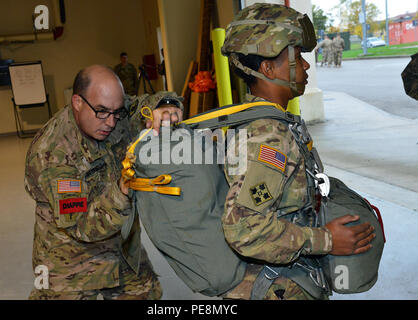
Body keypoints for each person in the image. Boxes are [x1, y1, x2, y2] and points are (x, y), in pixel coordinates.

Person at [220, 3, 375, 300]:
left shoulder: (272, 121)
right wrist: (326, 240)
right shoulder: (267, 137)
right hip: (277, 288)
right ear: (267, 68)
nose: (305, 66)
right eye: (296, 57)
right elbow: (245, 230)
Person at [25, 65, 182, 300]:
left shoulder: (112, 111)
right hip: (70, 265)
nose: (111, 122)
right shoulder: (53, 154)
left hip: (122, 248)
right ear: (77, 102)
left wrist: (165, 106)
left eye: (116, 112)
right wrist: (122, 190)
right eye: (102, 112)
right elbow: (81, 226)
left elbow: (141, 105)